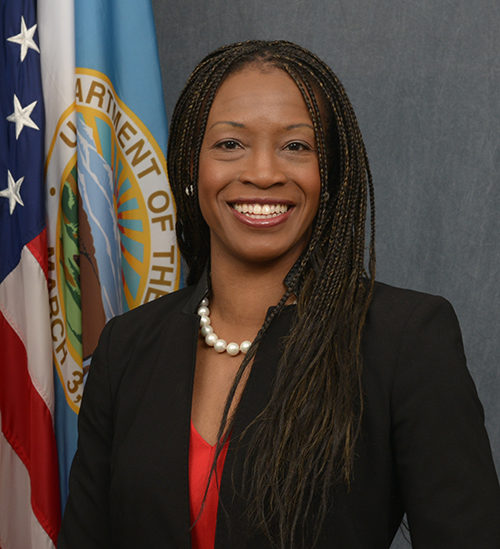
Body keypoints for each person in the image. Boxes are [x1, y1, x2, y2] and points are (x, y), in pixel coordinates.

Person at [58, 40, 500, 549]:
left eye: (296, 146)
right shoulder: (126, 347)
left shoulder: (404, 339)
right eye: (230, 144)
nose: (263, 173)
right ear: (189, 165)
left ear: (330, 171)